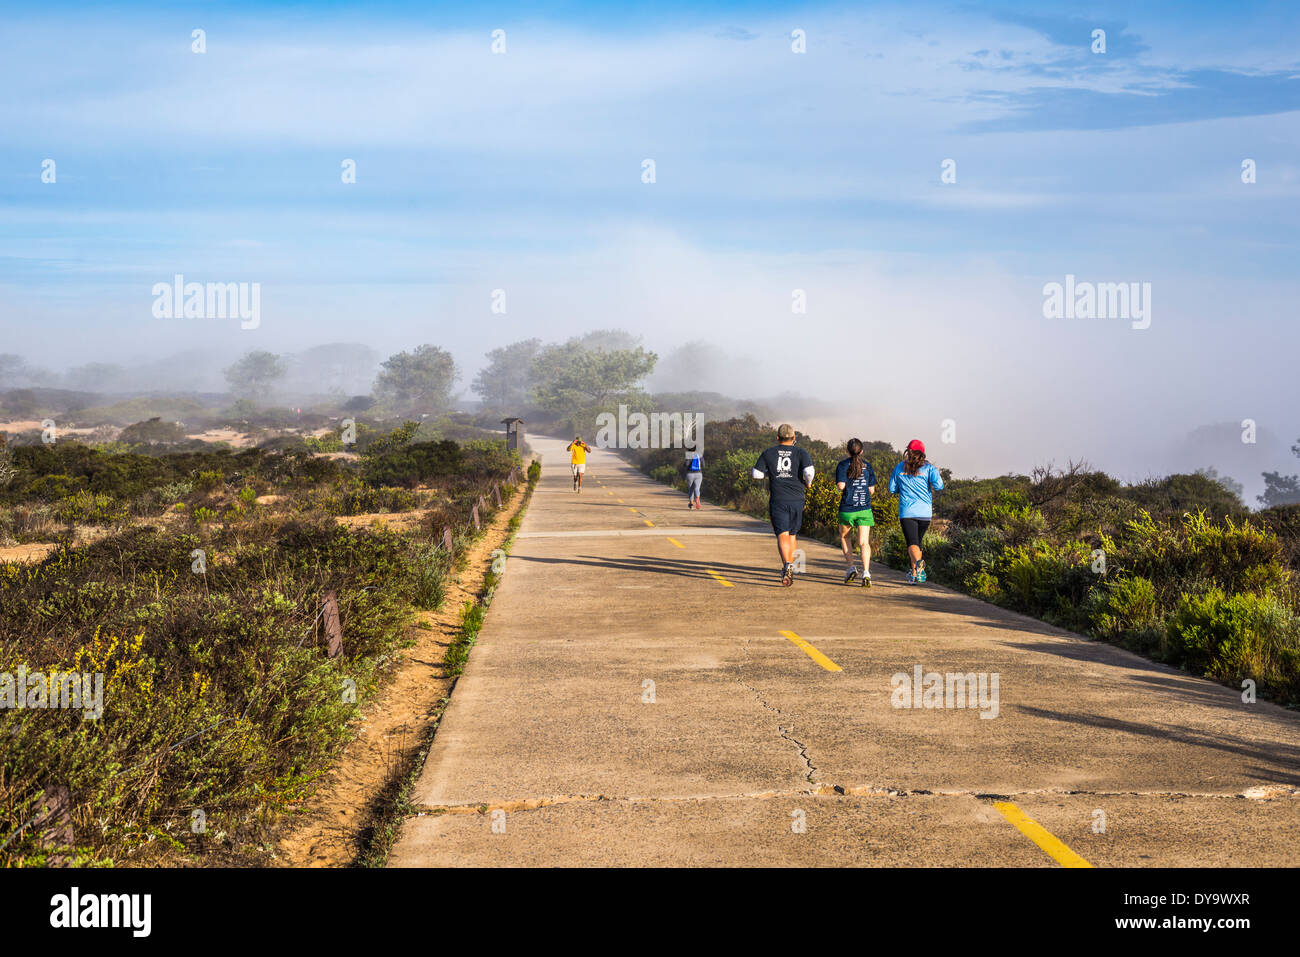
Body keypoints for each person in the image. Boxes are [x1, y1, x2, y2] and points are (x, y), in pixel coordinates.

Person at [752, 423, 814, 587]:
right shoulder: (801, 452)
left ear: (778, 438)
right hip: (797, 499)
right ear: (794, 438)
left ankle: (787, 565)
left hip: (778, 499)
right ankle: (790, 566)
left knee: (782, 534)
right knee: (792, 534)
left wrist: (769, 473)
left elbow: (756, 474)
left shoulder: (769, 452)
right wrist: (808, 484)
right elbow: (809, 472)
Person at [888, 439, 944, 583]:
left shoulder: (899, 468)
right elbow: (939, 486)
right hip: (925, 513)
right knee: (917, 543)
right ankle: (913, 574)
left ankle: (919, 567)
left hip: (907, 511)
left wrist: (904, 486)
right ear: (923, 453)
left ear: (908, 451)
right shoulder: (929, 468)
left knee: (912, 542)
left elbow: (892, 489)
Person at [835, 438, 877, 586]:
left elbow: (841, 486)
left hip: (847, 508)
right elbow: (872, 490)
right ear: (862, 451)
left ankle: (851, 567)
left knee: (845, 538)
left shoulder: (842, 465)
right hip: (864, 509)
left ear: (847, 450)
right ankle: (866, 572)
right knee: (864, 542)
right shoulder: (868, 466)